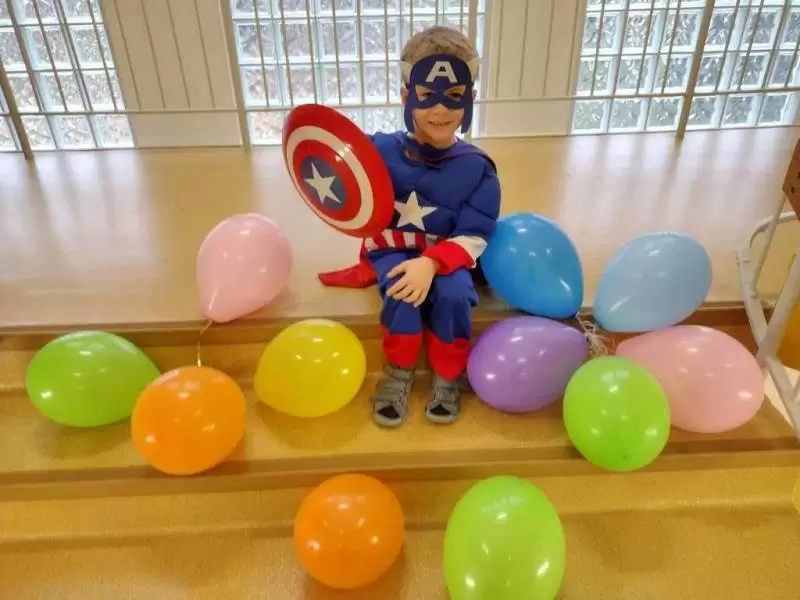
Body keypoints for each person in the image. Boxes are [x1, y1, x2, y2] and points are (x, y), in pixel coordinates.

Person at [320, 26, 501, 427]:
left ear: (470, 99)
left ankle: (449, 375)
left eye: (454, 96)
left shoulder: (477, 169)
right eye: (427, 95)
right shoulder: (379, 151)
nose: (440, 110)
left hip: (446, 255)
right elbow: (338, 174)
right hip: (394, 249)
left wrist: (432, 263)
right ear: (406, 97)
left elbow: (475, 234)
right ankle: (399, 372)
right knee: (401, 290)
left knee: (455, 295)